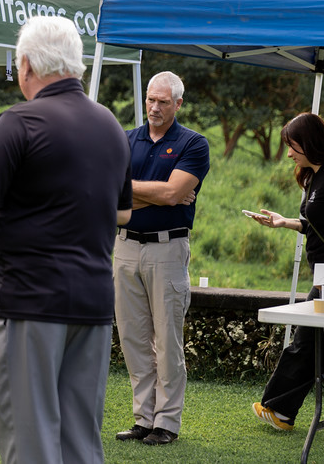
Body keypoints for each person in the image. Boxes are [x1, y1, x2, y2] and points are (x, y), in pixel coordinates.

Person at [0, 16, 133, 464]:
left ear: (25, 65)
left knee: (32, 443)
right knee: (80, 441)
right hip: (92, 302)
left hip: (29, 301)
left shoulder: (18, 121)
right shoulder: (109, 124)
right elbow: (123, 211)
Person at [247, 113, 324, 450]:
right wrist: (285, 222)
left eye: (292, 146)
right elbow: (323, 224)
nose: (288, 153)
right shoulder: (317, 177)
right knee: (307, 345)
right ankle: (280, 410)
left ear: (310, 143)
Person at [114, 70, 210, 446]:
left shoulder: (193, 144)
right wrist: (158, 192)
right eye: (151, 100)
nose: (154, 107)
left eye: (163, 102)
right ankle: (143, 418)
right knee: (133, 338)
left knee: (167, 341)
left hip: (168, 249)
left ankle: (166, 422)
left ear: (179, 104)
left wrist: (135, 192)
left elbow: (173, 195)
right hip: (124, 247)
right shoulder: (125, 140)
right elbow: (108, 193)